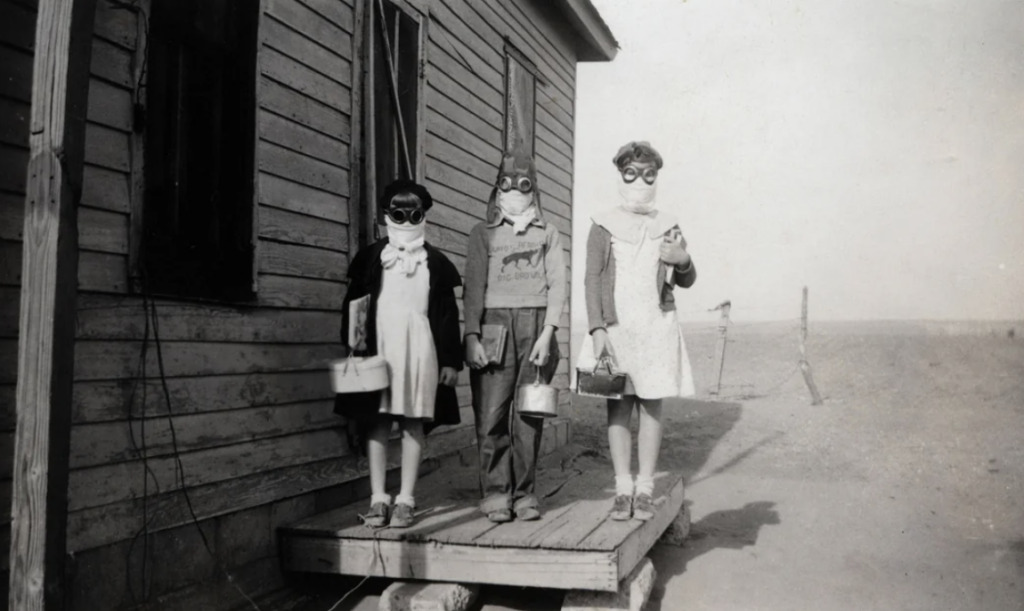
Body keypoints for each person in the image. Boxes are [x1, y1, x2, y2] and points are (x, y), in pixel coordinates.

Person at [576, 141, 697, 521]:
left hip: (655, 328)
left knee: (652, 406)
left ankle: (645, 488)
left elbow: (687, 279)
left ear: (657, 176)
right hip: (617, 329)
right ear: (621, 175)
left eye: (649, 174)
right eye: (632, 173)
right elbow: (591, 279)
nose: (640, 181)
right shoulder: (602, 223)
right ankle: (622, 488)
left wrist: (684, 261)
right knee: (618, 407)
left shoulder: (668, 224)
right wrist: (597, 328)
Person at [337, 179, 463, 529]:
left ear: (423, 215)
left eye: (414, 214)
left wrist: (451, 360)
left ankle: (406, 499)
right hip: (378, 348)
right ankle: (378, 498)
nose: (406, 220)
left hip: (419, 349)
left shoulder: (434, 263)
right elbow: (353, 307)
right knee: (375, 422)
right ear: (386, 215)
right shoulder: (371, 259)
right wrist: (354, 346)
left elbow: (447, 316)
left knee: (411, 423)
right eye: (398, 213)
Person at [463, 149, 568, 523]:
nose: (514, 191)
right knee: (491, 414)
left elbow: (558, 285)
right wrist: (472, 334)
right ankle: (495, 494)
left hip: (536, 328)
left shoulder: (548, 233)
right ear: (497, 188)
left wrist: (548, 332)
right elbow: (473, 287)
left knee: (529, 413)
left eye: (523, 184)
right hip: (494, 326)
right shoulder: (482, 234)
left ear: (534, 189)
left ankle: (524, 494)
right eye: (506, 184)